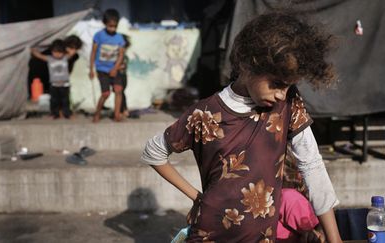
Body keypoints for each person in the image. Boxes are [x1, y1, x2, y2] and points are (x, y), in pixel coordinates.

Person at [141, 12, 342, 242]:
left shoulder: (288, 104)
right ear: (249, 64)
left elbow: (312, 164)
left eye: (288, 86)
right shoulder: (205, 114)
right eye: (276, 84)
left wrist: (334, 239)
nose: (281, 94)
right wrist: (197, 198)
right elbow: (153, 152)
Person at [89, 8, 125, 122]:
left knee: (118, 90)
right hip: (102, 69)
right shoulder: (98, 36)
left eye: (115, 26)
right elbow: (93, 52)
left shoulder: (119, 38)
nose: (112, 28)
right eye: (110, 26)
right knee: (106, 93)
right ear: (105, 23)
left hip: (115, 69)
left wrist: (115, 68)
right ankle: (97, 113)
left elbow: (121, 55)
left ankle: (117, 115)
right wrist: (91, 69)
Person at [31, 39, 73, 119]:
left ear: (63, 52)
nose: (57, 54)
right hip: (54, 85)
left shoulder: (65, 58)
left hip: (65, 85)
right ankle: (55, 114)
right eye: (55, 52)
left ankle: (67, 114)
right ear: (51, 51)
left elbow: (72, 52)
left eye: (59, 52)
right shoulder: (50, 59)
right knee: (54, 101)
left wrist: (65, 48)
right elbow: (39, 56)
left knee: (65, 101)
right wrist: (32, 50)